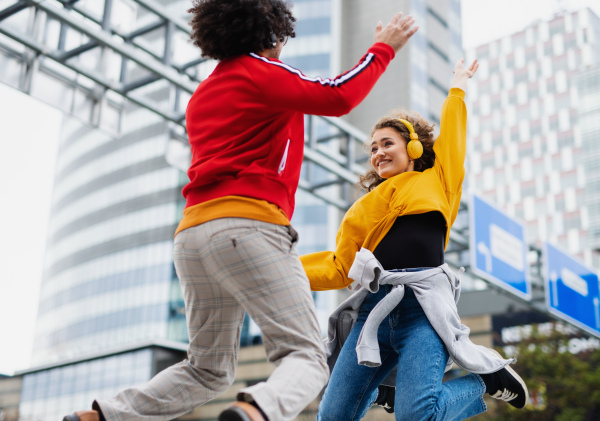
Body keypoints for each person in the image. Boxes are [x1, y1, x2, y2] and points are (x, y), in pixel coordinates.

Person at [63, 1, 419, 421]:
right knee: (306, 354)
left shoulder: (203, 94)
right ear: (270, 33)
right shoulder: (260, 72)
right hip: (248, 225)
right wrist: (382, 48)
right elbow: (338, 94)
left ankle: (102, 417)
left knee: (206, 368)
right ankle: (256, 413)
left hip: (193, 236)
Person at [300, 58, 530, 421]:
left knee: (416, 417)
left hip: (424, 310)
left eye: (386, 143)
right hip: (372, 312)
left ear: (415, 148)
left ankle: (482, 382)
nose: (377, 153)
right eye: (373, 148)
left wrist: (458, 84)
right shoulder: (362, 208)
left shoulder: (438, 179)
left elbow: (453, 131)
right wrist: (281, 269)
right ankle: (387, 383)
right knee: (331, 417)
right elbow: (340, 267)